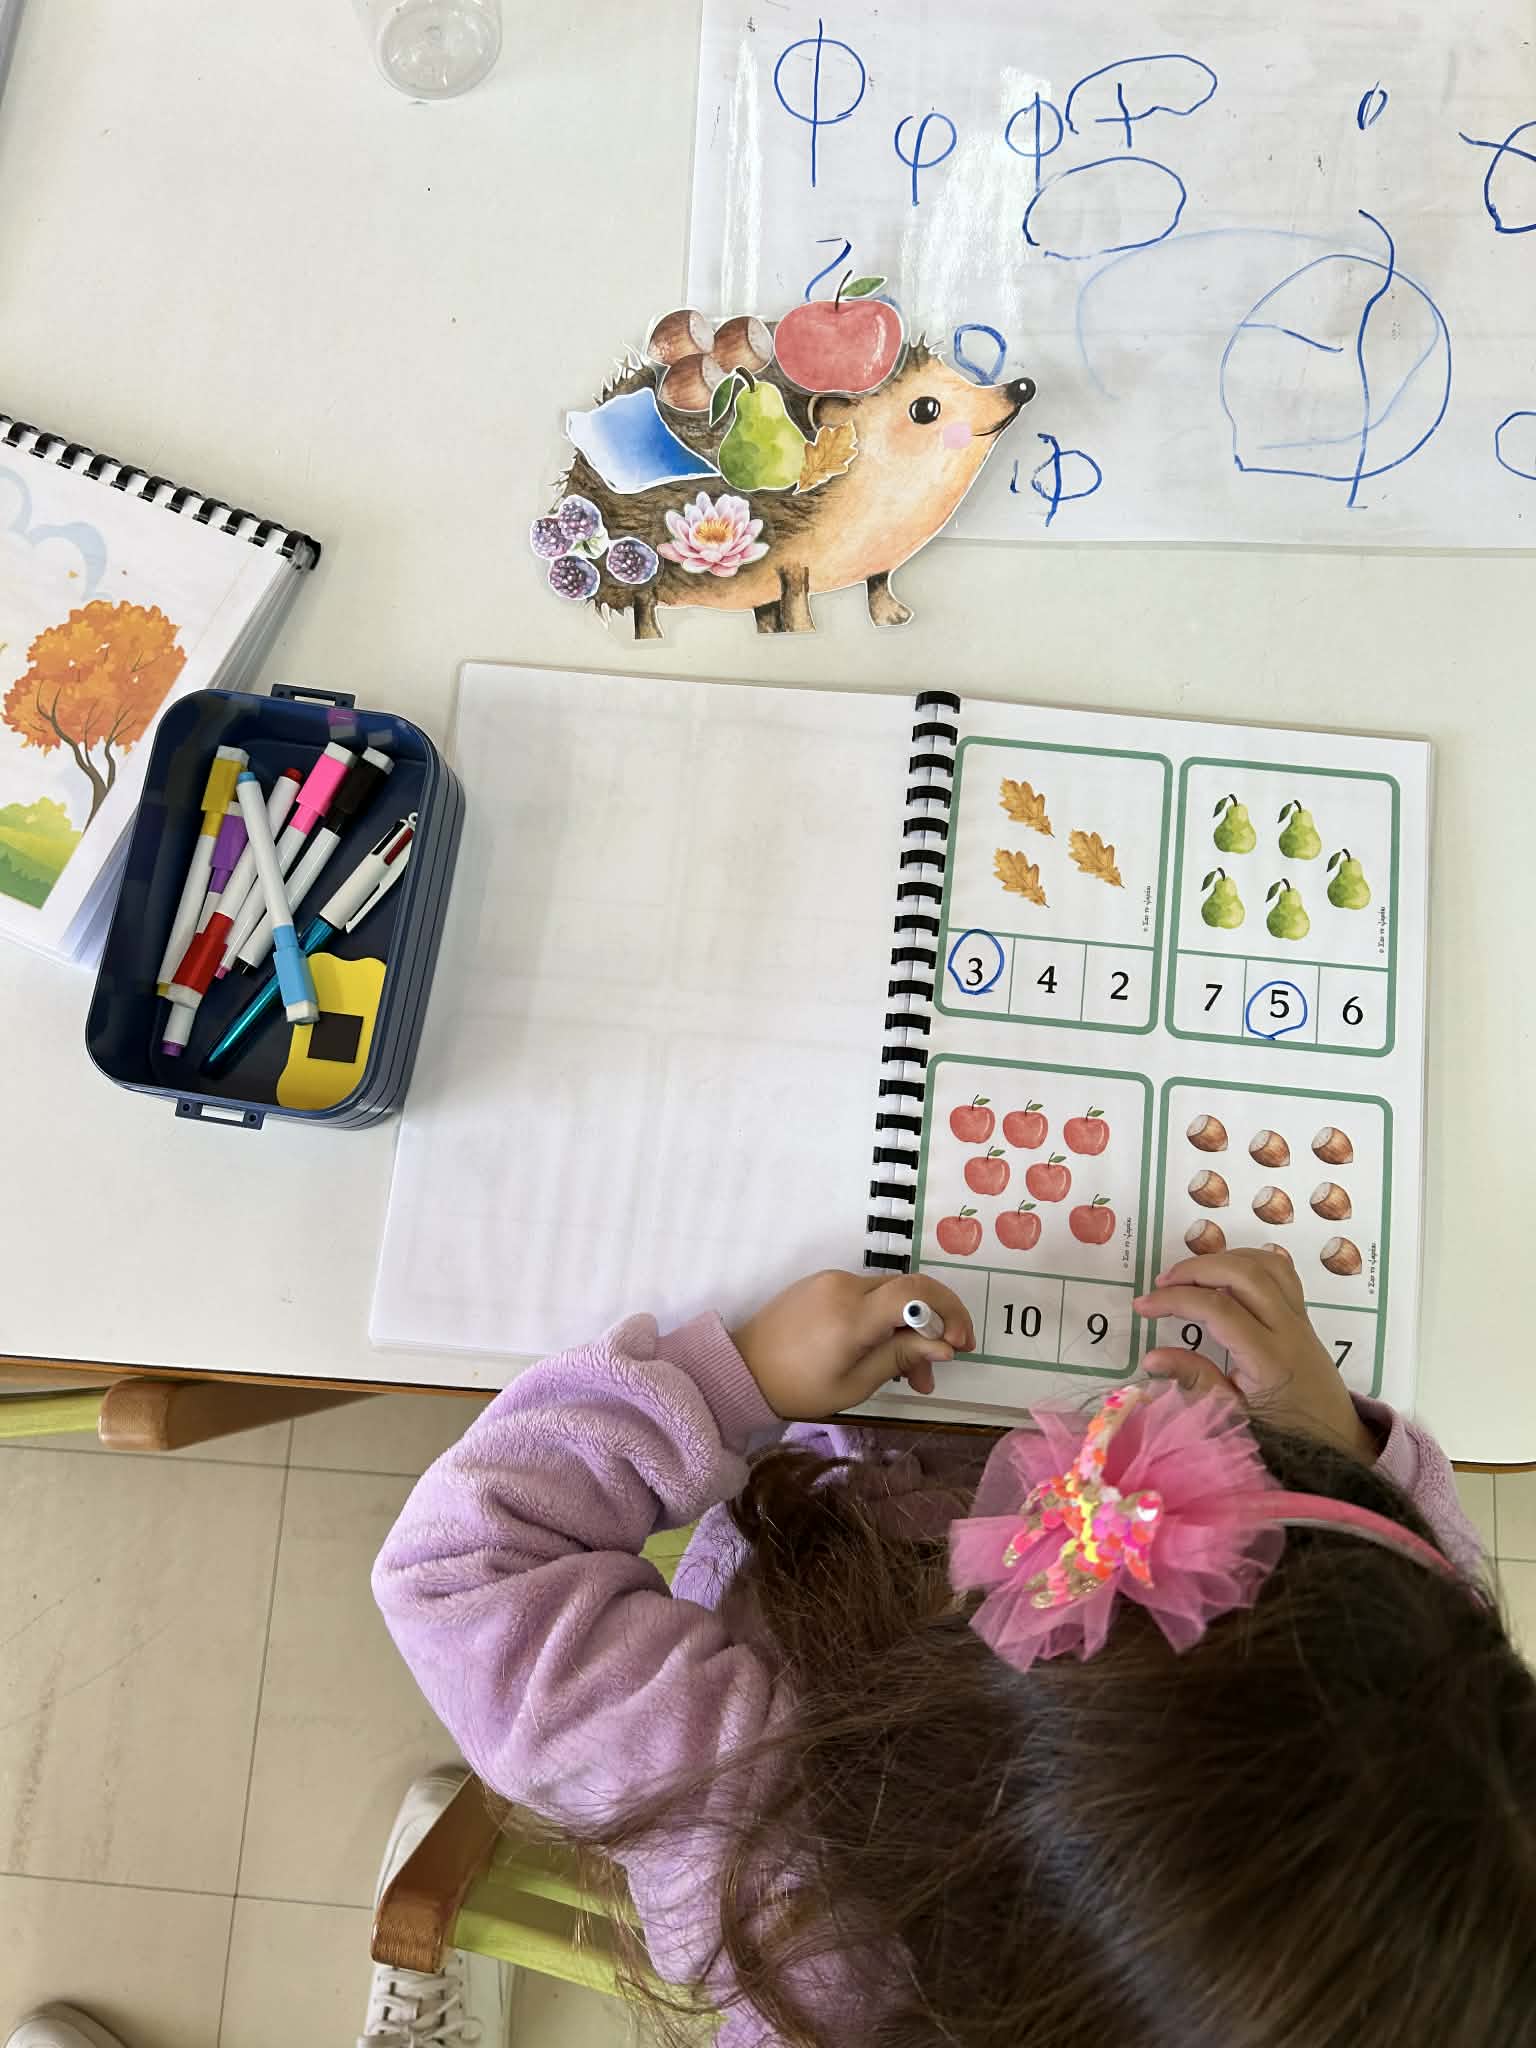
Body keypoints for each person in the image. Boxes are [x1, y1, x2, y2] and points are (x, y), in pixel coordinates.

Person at [372, 1249, 1536, 2048]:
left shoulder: (778, 1838)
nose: (1125, 1437)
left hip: (820, 1508)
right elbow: (1422, 1697)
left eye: (1094, 1518)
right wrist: (1349, 1470)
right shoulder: (1445, 1853)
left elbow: (464, 1569)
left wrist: (733, 1382)